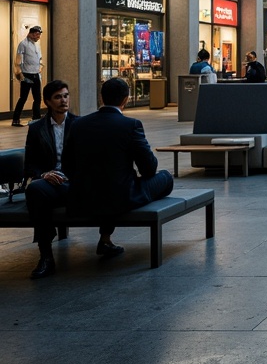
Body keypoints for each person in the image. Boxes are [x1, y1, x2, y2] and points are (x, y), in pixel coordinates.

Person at [59, 77, 174, 272]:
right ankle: (105, 239)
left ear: (101, 97)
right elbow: (149, 169)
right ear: (126, 100)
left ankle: (105, 239)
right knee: (165, 178)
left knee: (107, 182)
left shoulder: (78, 124)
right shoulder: (131, 125)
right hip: (120, 197)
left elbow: (67, 165)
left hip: (83, 195)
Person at [23, 80, 91, 279]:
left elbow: (89, 159)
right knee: (35, 190)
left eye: (66, 95)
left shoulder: (80, 125)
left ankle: (105, 241)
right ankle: (45, 255)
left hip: (76, 183)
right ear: (47, 102)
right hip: (52, 183)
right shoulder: (36, 129)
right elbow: (30, 165)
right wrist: (44, 174)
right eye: (58, 97)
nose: (64, 100)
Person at [12, 24, 44, 126]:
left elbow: (40, 60)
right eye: (36, 34)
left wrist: (40, 69)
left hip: (35, 75)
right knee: (23, 98)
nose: (38, 37)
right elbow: (18, 61)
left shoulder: (37, 45)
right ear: (30, 34)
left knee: (38, 98)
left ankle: (36, 117)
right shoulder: (23, 44)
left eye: (39, 35)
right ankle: (16, 119)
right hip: (26, 75)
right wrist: (20, 75)